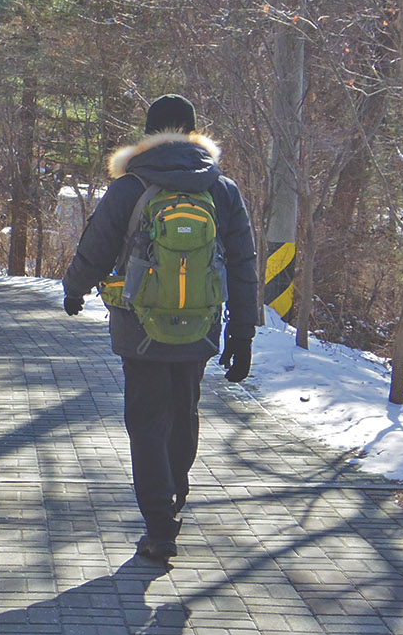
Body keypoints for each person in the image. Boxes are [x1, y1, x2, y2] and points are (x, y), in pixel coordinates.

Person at [62, 94, 258, 563]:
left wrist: (75, 289)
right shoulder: (222, 189)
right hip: (200, 326)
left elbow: (97, 245)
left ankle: (159, 524)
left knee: (147, 422)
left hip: (140, 327)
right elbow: (243, 263)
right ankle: (175, 498)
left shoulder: (131, 186)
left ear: (149, 134)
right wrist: (242, 332)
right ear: (193, 132)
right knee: (183, 414)